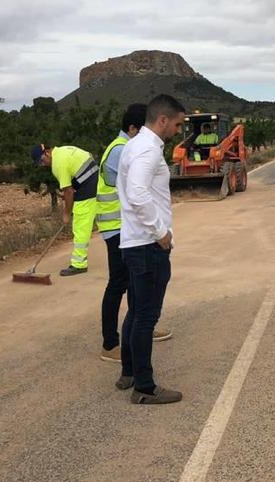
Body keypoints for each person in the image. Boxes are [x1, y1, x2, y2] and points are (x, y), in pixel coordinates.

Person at [116, 94, 186, 405]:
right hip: (147, 245)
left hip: (134, 242)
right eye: (177, 124)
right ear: (163, 121)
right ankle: (144, 387)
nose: (178, 130)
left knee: (135, 312)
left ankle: (129, 371)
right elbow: (138, 193)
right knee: (146, 316)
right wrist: (161, 234)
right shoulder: (147, 150)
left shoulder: (135, 145)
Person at [96, 103, 173, 364]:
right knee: (120, 286)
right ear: (134, 128)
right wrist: (160, 231)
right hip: (122, 228)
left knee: (134, 293)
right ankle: (112, 343)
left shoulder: (125, 147)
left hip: (126, 227)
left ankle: (137, 339)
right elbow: (136, 192)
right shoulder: (128, 149)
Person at [31, 143, 98, 276]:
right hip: (94, 180)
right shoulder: (63, 150)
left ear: (47, 153)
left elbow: (68, 192)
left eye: (42, 161)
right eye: (39, 163)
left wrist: (66, 214)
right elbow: (86, 158)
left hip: (88, 188)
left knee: (80, 225)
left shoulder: (58, 164)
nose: (43, 164)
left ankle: (79, 264)